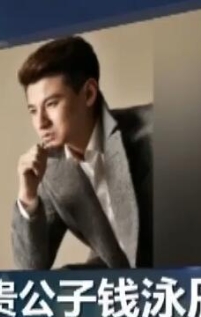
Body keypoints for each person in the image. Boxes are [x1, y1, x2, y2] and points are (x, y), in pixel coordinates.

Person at [11, 36, 153, 270]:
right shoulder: (51, 170)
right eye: (33, 110)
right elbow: (30, 274)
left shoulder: (154, 133)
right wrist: (28, 196)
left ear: (88, 93)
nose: (41, 123)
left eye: (51, 104)